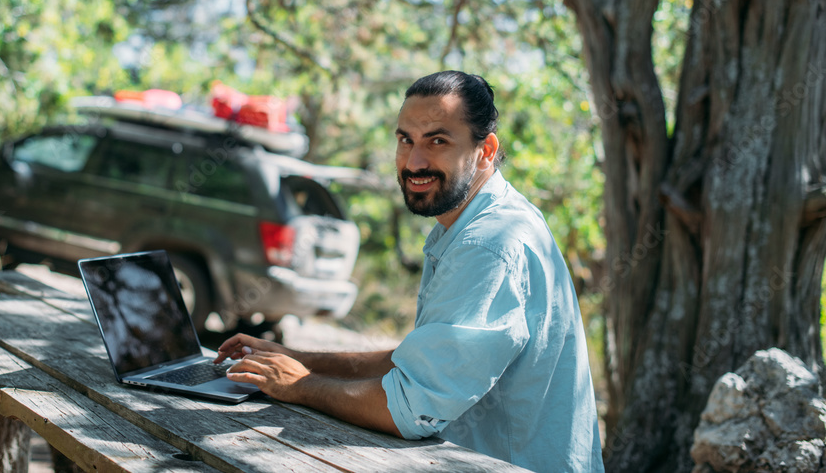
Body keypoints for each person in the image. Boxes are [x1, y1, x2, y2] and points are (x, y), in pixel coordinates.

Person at [216, 71, 604, 472]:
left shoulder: (488, 243)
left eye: (438, 141)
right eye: (406, 140)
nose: (414, 162)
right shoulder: (474, 221)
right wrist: (296, 358)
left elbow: (411, 408)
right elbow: (417, 364)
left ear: (486, 150)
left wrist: (297, 384)